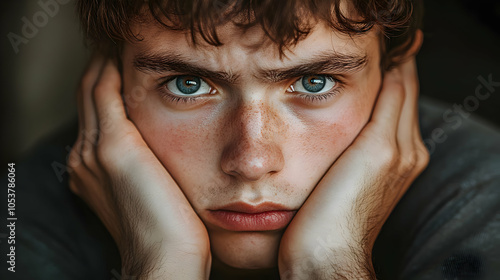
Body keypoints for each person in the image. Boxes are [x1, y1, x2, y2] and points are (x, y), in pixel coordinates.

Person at [3, 0, 500, 279]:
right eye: (188, 84)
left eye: (313, 83)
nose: (252, 160)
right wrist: (162, 266)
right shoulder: (19, 208)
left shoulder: (484, 192)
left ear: (393, 70)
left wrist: (328, 268)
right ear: (111, 78)